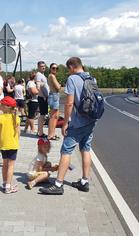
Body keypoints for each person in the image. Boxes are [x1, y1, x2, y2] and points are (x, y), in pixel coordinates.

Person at [40, 57, 98, 195]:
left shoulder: (72, 79)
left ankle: (58, 184)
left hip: (77, 123)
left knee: (65, 151)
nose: (68, 72)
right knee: (86, 149)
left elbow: (69, 103)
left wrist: (65, 123)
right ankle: (85, 181)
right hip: (91, 121)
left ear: (72, 67)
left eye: (68, 69)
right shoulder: (92, 79)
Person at [0, 96, 20, 194]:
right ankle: (8, 187)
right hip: (13, 145)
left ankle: (5, 183)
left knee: (5, 164)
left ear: (6, 106)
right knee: (11, 165)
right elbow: (18, 133)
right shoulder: (16, 118)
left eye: (1, 104)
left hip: (3, 144)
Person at [35, 61, 49, 138]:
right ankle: (40, 133)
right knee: (42, 115)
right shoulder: (38, 75)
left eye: (44, 66)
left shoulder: (42, 75)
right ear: (38, 67)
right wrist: (43, 95)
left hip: (44, 97)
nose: (43, 67)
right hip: (42, 97)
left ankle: (40, 131)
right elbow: (38, 86)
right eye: (41, 66)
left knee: (43, 115)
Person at [47, 63, 61, 140]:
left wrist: (58, 85)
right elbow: (58, 87)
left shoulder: (52, 76)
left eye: (56, 68)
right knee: (53, 117)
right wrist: (59, 85)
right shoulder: (52, 76)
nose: (55, 70)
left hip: (54, 96)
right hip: (54, 96)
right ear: (50, 69)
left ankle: (52, 133)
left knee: (56, 116)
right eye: (53, 68)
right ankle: (50, 135)